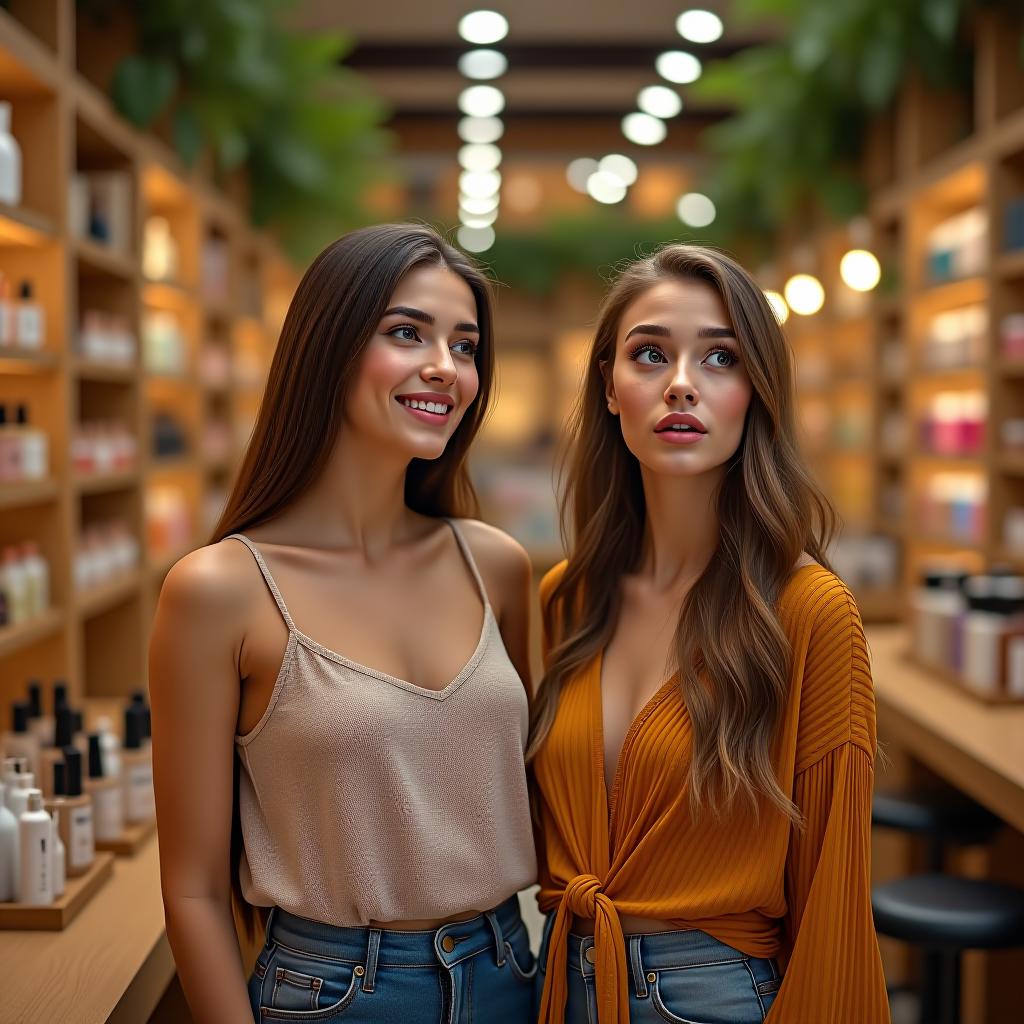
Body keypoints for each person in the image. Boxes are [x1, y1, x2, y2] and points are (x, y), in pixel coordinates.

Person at [149, 224, 538, 1024]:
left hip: (510, 974)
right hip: (333, 994)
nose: (445, 367)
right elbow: (191, 890)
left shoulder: (496, 566)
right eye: (406, 333)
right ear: (326, 348)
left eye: (465, 347)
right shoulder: (219, 590)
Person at [529, 244, 889, 1023]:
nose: (681, 383)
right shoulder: (564, 599)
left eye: (720, 357)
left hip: (712, 998)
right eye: (650, 354)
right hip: (560, 983)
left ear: (756, 393)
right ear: (610, 388)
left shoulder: (809, 611)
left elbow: (833, 898)